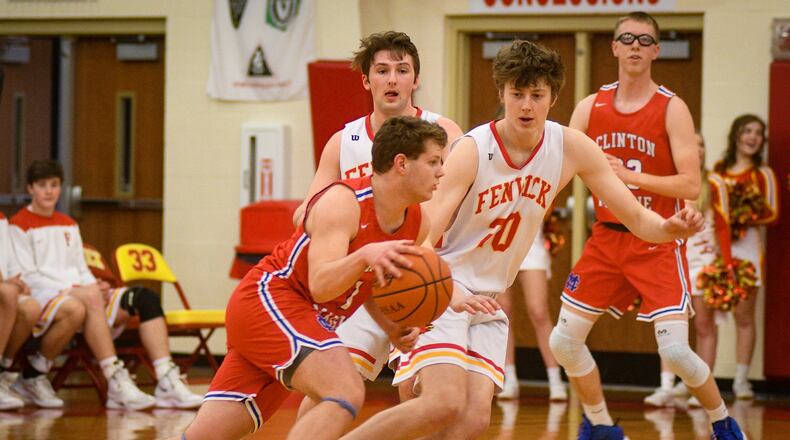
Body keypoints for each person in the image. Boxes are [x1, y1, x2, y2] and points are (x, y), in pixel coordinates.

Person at [341, 39, 703, 440]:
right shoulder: (472, 150)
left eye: (537, 95)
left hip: (489, 297)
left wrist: (671, 228)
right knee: (440, 403)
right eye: (517, 94)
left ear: (553, 97)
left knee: (473, 421)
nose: (527, 106)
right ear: (502, 94)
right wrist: (443, 291)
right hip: (441, 285)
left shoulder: (570, 147)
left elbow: (636, 217)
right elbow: (423, 232)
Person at [181, 116, 446, 440]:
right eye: (433, 162)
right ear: (402, 163)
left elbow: (369, 286)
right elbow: (321, 285)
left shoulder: (418, 222)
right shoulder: (342, 202)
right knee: (344, 391)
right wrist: (364, 254)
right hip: (272, 300)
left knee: (207, 435)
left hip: (303, 318)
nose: (441, 172)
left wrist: (392, 328)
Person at [553, 11, 745, 439]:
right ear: (614, 47)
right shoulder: (590, 106)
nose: (636, 46)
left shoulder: (671, 108)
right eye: (628, 38)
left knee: (676, 352)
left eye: (645, 40)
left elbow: (691, 182)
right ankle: (601, 426)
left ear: (656, 50)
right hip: (605, 238)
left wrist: (627, 176)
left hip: (657, 239)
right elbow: (560, 162)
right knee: (562, 343)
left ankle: (724, 425)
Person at [293, 31, 463, 388]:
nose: (392, 79)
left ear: (416, 79)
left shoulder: (443, 131)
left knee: (418, 390)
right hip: (363, 285)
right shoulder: (344, 140)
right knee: (334, 389)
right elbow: (304, 215)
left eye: (402, 70)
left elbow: (460, 208)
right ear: (366, 80)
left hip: (422, 275)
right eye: (382, 70)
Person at [9, 160, 156, 410]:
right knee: (79, 304)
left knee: (96, 296)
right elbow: (28, 275)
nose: (48, 191)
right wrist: (71, 289)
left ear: (61, 189)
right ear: (30, 188)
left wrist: (95, 285)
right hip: (41, 293)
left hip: (74, 292)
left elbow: (80, 268)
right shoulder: (19, 224)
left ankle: (37, 373)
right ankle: (114, 377)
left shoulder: (69, 223)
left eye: (54, 185)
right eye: (42, 185)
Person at [643, 133, 731, 408]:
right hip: (674, 259)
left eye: (702, 145)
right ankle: (666, 386)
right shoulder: (667, 183)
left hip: (705, 263)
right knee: (669, 325)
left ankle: (702, 388)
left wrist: (726, 266)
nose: (698, 150)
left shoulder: (714, 183)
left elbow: (725, 226)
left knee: (704, 326)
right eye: (692, 145)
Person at [82, 244, 204, 408]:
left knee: (145, 297)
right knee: (91, 297)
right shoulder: (44, 238)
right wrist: (86, 288)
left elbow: (109, 279)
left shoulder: (78, 239)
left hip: (104, 296)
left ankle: (166, 379)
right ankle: (114, 379)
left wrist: (104, 286)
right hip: (73, 298)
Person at [712, 114, 778, 399]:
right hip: (715, 247)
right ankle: (704, 378)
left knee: (744, 314)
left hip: (749, 247)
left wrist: (743, 214)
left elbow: (773, 213)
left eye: (759, 133)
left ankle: (740, 380)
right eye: (747, 131)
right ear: (736, 134)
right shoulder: (718, 169)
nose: (753, 137)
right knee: (709, 314)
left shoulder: (762, 173)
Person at [497, 227, 567, 401]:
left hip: (531, 242)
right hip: (499, 243)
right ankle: (509, 379)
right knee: (502, 312)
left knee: (539, 311)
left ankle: (555, 379)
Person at [0, 212, 42, 410]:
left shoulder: (1, 219)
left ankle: (3, 371)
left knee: (30, 307)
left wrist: (19, 280)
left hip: (4, 286)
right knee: (7, 294)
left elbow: (10, 262)